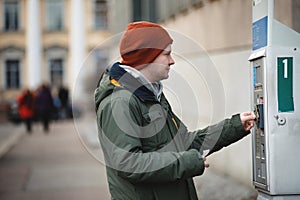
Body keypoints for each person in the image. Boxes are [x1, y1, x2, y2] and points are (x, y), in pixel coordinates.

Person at [94, 21, 256, 200]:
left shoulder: (151, 94)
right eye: (166, 54)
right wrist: (187, 162)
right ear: (146, 56)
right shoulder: (119, 101)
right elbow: (128, 163)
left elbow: (183, 142)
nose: (172, 61)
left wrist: (234, 126)